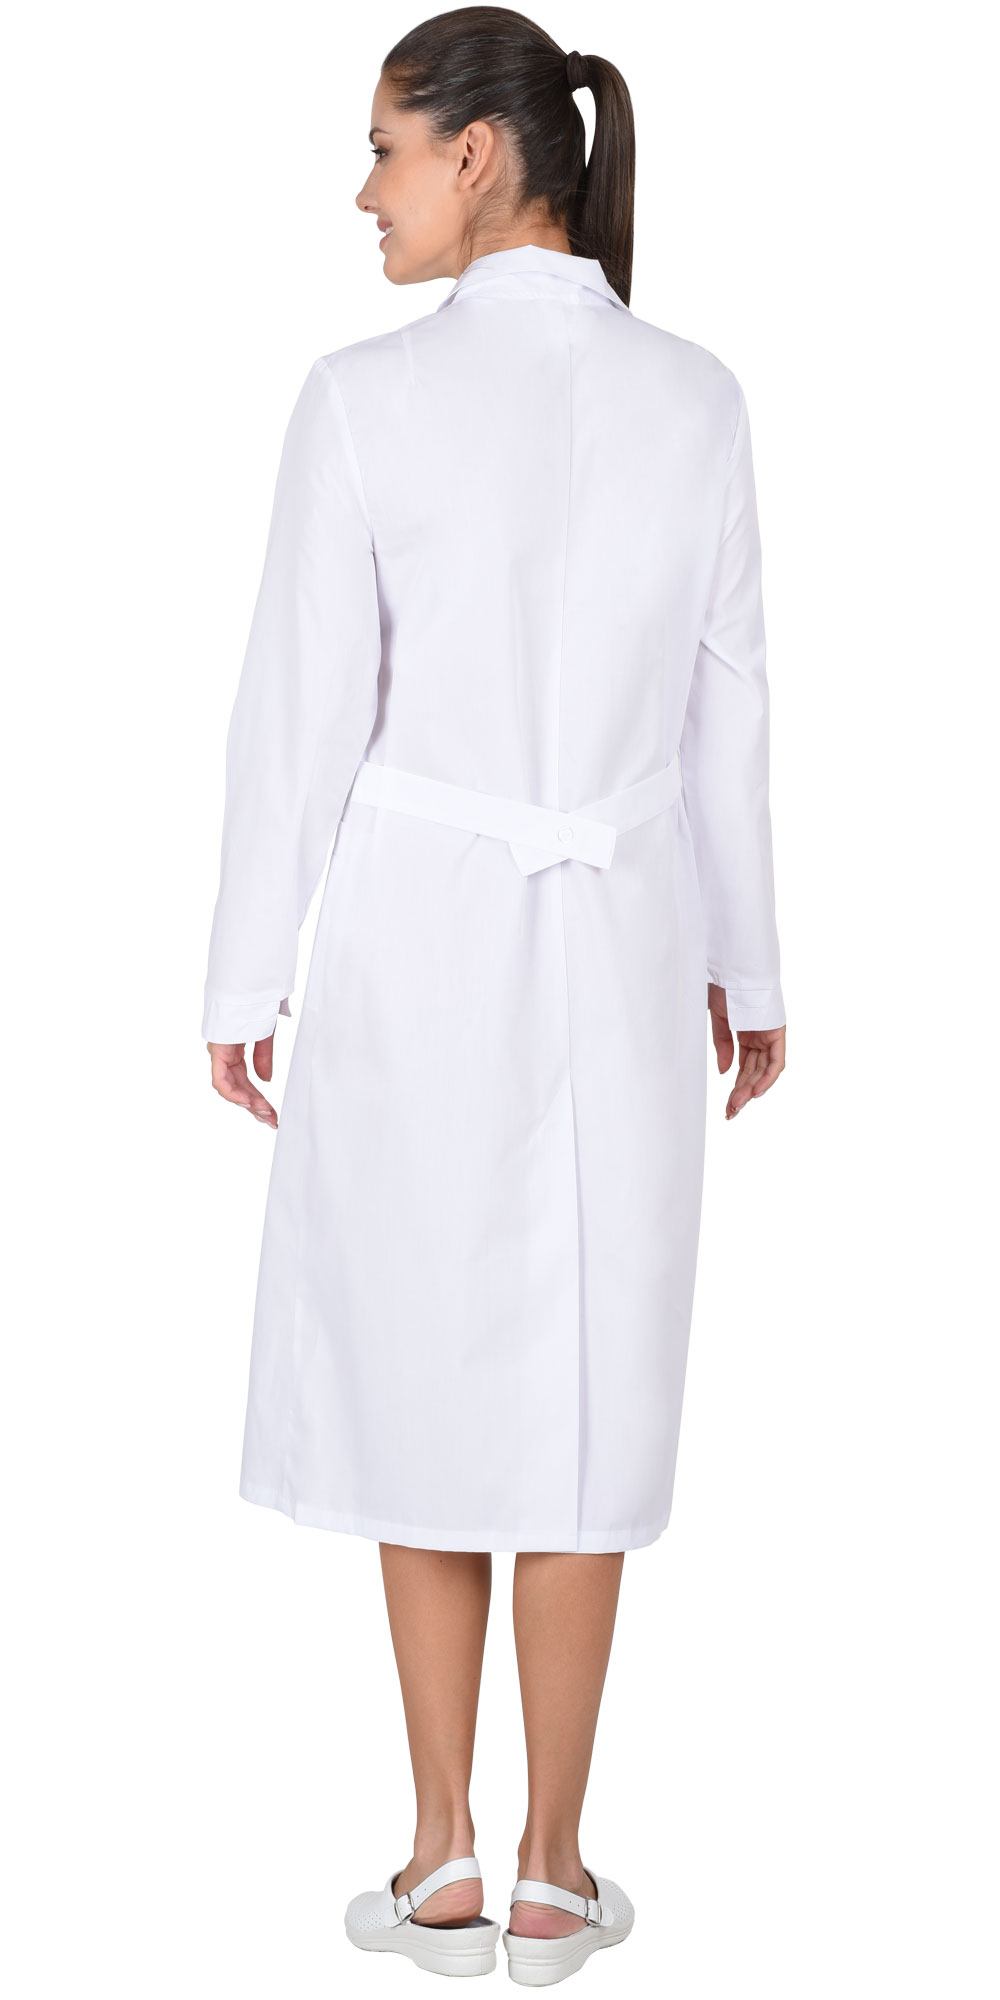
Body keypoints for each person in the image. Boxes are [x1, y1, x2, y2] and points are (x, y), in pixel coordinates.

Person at [201, 9, 786, 1985]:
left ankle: (439, 1854)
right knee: (585, 1387)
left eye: (383, 148)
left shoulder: (359, 400)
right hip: (621, 935)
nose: (361, 193)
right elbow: (726, 716)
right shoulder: (696, 398)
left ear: (474, 155)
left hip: (415, 941)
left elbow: (298, 712)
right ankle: (553, 1868)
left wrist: (244, 967)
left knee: (423, 1369)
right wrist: (748, 963)